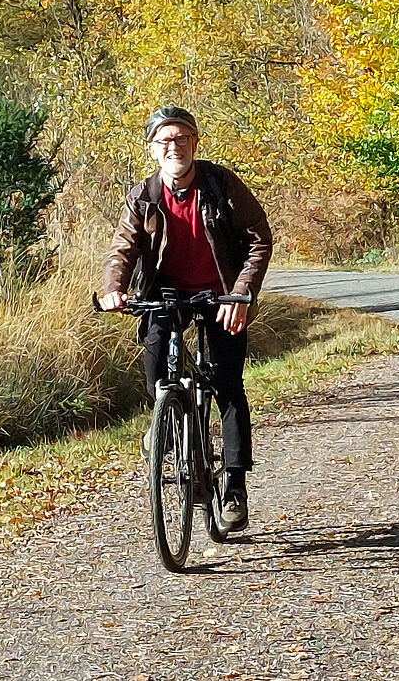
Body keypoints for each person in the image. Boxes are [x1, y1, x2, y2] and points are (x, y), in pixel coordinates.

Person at [98, 107, 272, 530]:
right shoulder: (143, 196)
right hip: (166, 295)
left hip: (223, 294)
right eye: (164, 141)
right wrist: (113, 289)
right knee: (157, 367)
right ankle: (166, 427)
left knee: (228, 384)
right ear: (152, 150)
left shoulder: (221, 185)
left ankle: (233, 485)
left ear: (194, 143)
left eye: (180, 139)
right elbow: (124, 248)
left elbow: (258, 238)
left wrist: (242, 294)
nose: (173, 147)